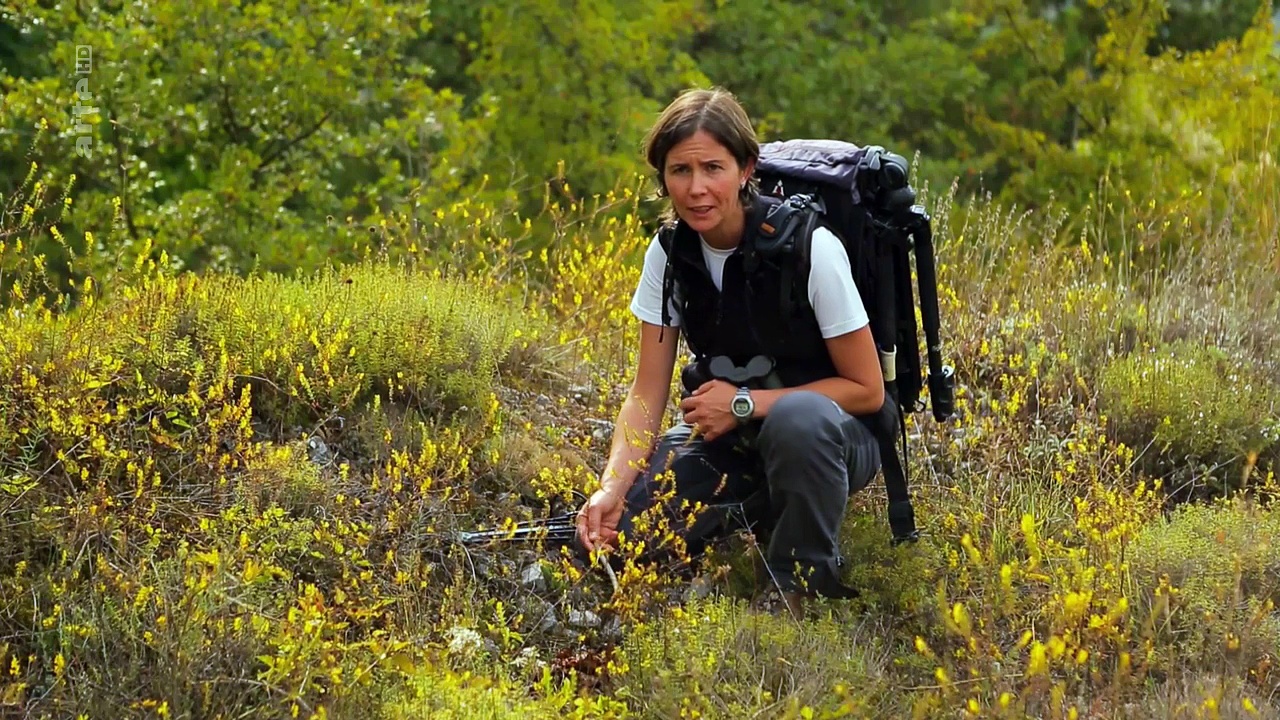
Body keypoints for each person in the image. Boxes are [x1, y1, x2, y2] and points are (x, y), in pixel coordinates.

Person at [574, 86, 884, 614]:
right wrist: (612, 488)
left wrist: (743, 403)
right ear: (663, 178)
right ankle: (761, 506)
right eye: (679, 171)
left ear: (746, 169)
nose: (696, 189)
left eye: (713, 168)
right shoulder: (670, 254)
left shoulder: (812, 246)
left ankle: (797, 585)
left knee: (800, 421)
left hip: (832, 437)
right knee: (628, 536)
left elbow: (867, 390)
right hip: (730, 436)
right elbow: (646, 394)